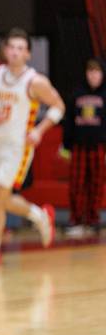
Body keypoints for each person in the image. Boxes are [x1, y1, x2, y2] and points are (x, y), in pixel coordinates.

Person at [0, 28, 64, 265]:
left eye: (20, 48)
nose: (15, 52)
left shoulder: (35, 81)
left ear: (28, 54)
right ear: (4, 50)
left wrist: (39, 131)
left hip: (19, 145)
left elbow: (58, 106)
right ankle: (39, 215)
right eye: (11, 47)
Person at [62, 58, 106, 238]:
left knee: (96, 183)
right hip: (79, 146)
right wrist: (66, 145)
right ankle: (77, 219)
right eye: (90, 72)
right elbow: (68, 123)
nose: (93, 75)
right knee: (77, 184)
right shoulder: (76, 94)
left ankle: (93, 219)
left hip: (99, 146)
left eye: (97, 72)